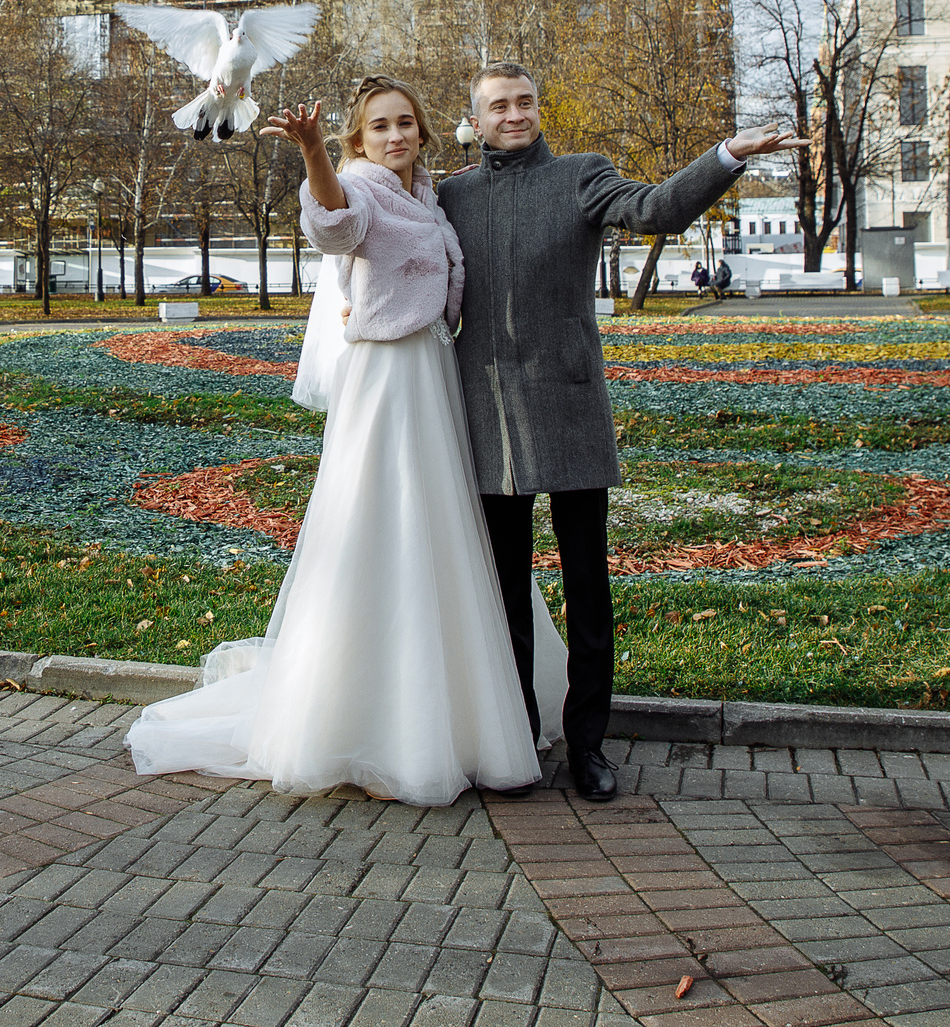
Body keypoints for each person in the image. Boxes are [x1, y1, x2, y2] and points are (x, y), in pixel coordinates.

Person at [128, 76, 562, 805]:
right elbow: (335, 223)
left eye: (405, 124)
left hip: (432, 369)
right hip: (383, 378)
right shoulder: (357, 183)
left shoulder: (429, 193)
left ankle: (457, 715)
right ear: (359, 140)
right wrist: (311, 153)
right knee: (378, 521)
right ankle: (371, 725)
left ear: (423, 133)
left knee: (442, 528)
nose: (395, 136)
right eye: (379, 127)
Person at [440, 60, 807, 801]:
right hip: (485, 417)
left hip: (570, 407)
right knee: (503, 593)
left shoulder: (580, 174)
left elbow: (658, 208)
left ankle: (589, 747)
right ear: (475, 119)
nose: (514, 114)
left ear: (538, 108)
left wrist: (727, 155)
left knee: (588, 593)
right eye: (498, 105)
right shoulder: (450, 193)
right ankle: (515, 742)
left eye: (525, 101)